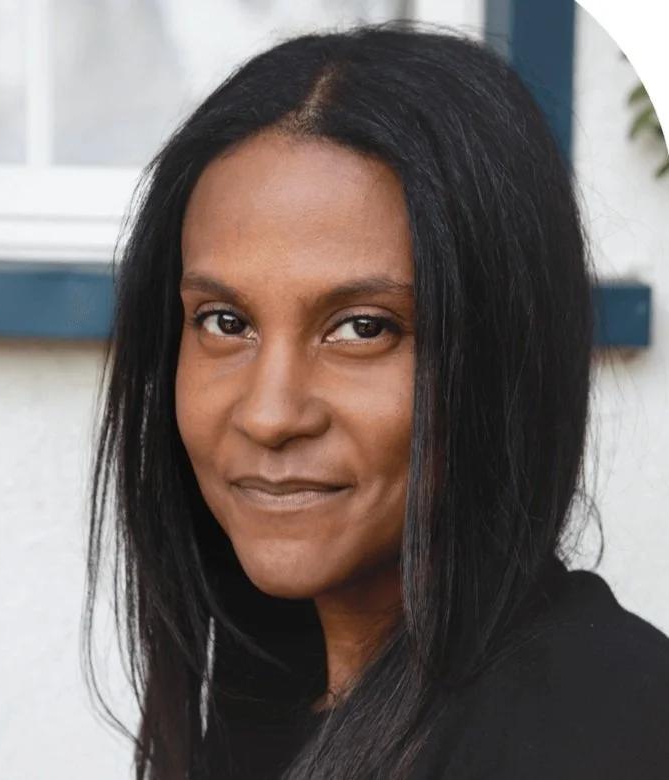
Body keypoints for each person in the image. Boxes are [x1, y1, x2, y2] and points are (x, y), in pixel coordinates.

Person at [83, 23, 669, 780]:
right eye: (225, 322)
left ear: (504, 353)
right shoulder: (271, 690)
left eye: (363, 328)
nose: (269, 414)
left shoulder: (611, 732)